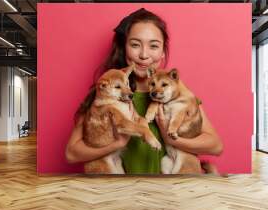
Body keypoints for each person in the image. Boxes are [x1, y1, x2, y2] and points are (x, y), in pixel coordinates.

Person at [65, 8, 223, 174]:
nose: (144, 55)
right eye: (135, 45)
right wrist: (117, 144)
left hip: (169, 192)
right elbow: (72, 153)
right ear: (124, 48)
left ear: (162, 52)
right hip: (120, 193)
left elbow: (215, 145)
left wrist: (173, 140)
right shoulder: (106, 93)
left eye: (153, 46)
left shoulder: (177, 94)